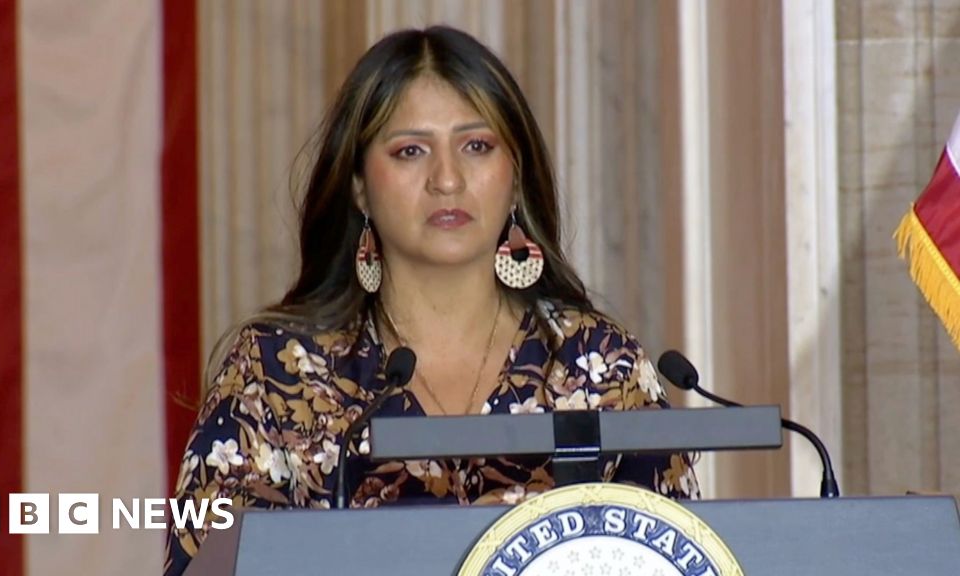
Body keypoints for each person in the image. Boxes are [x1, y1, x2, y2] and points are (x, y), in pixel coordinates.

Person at [164, 25, 698, 576]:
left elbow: (683, 556)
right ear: (359, 187)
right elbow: (203, 561)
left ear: (516, 177)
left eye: (477, 146)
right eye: (411, 151)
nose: (447, 179)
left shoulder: (600, 365)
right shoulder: (276, 372)